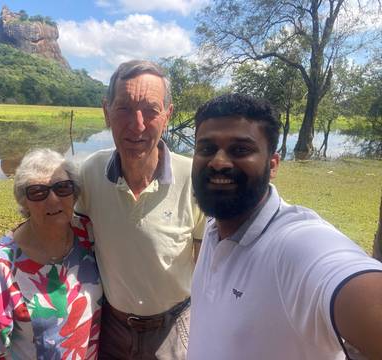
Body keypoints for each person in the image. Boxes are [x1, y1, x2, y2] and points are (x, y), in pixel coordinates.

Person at [187, 93, 382, 360]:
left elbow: (352, 281)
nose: (219, 162)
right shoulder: (214, 227)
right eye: (206, 149)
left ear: (273, 164)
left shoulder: (297, 243)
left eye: (240, 150)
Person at [76, 60, 205, 359]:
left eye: (150, 110)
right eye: (123, 109)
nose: (137, 124)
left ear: (167, 115)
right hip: (110, 327)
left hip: (174, 328)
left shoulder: (193, 178)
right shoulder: (90, 172)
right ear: (106, 113)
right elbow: (63, 234)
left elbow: (206, 264)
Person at [0, 149, 103, 359]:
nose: (53, 200)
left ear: (74, 193)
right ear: (23, 200)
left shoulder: (88, 235)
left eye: (62, 188)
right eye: (38, 192)